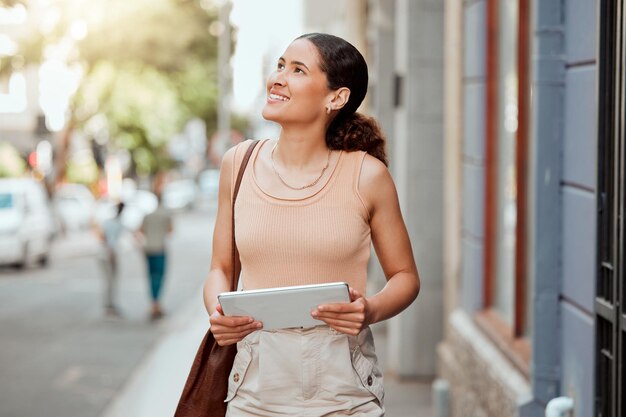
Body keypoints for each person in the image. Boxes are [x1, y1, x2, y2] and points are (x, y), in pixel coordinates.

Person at [205, 33, 420, 416]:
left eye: (298, 70)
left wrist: (369, 310)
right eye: (280, 66)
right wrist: (219, 315)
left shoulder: (367, 176)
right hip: (255, 382)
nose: (278, 78)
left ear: (335, 98)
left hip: (343, 387)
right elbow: (220, 269)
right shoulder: (237, 165)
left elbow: (405, 276)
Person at [139, 186, 173, 320]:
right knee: (159, 276)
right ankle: (156, 304)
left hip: (148, 248)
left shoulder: (148, 215)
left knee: (151, 275)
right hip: (159, 248)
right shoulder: (166, 215)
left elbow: (141, 230)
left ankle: (154, 303)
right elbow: (170, 231)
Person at [97, 201, 126, 316]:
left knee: (111, 281)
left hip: (108, 254)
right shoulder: (115, 223)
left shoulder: (112, 222)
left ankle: (110, 304)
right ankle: (109, 305)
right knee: (110, 281)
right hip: (108, 254)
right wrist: (111, 253)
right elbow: (106, 239)